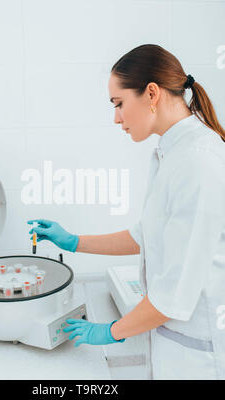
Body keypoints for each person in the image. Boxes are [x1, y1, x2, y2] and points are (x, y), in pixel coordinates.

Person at [28, 44, 225, 380]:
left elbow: (171, 297)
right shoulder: (170, 153)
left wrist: (111, 330)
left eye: (119, 104)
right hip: (173, 344)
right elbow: (144, 236)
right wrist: (73, 241)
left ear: (151, 93)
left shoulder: (198, 162)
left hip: (199, 355)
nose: (116, 117)